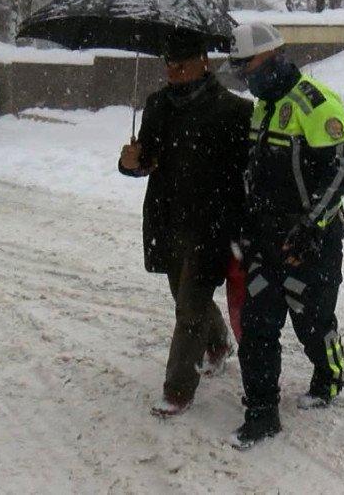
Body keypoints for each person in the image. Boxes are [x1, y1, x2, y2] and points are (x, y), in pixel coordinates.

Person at [225, 21, 344, 450]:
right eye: (238, 69)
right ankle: (261, 412)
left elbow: (343, 169)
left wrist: (311, 226)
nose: (244, 77)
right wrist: (245, 225)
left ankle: (329, 375)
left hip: (312, 239)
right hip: (266, 238)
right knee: (257, 325)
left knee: (313, 320)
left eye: (247, 66)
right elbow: (255, 174)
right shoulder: (262, 107)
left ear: (271, 57)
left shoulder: (313, 102)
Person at [119, 37, 252, 418]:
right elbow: (147, 159)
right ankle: (218, 343)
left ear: (204, 62)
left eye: (181, 65)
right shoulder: (158, 105)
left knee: (190, 309)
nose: (174, 73)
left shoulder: (235, 110)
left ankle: (177, 389)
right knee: (183, 296)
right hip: (166, 219)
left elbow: (248, 172)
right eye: (169, 66)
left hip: (211, 225)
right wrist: (132, 162)